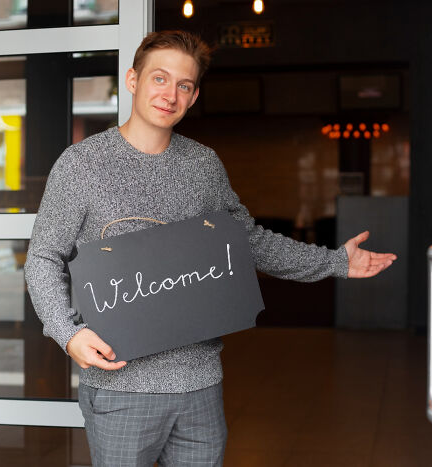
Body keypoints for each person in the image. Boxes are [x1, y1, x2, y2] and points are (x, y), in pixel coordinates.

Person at [24, 30, 396, 467]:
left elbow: (249, 242)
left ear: (194, 95)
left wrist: (334, 262)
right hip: (120, 386)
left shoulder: (204, 165)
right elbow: (44, 257)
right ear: (132, 80)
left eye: (184, 85)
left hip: (201, 385)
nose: (170, 94)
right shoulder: (81, 165)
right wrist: (68, 334)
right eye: (159, 78)